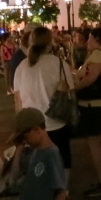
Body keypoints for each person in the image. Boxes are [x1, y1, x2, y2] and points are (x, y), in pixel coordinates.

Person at [14, 27, 75, 186]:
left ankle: (41, 188)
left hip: (32, 123)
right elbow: (71, 92)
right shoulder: (59, 64)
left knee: (37, 161)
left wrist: (20, 124)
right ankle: (62, 190)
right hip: (56, 121)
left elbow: (18, 99)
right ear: (50, 42)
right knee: (62, 158)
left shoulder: (22, 66)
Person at [74, 26, 101, 197]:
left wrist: (74, 88)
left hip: (94, 104)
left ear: (97, 39)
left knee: (94, 143)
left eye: (90, 38)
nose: (87, 42)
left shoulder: (98, 53)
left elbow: (91, 77)